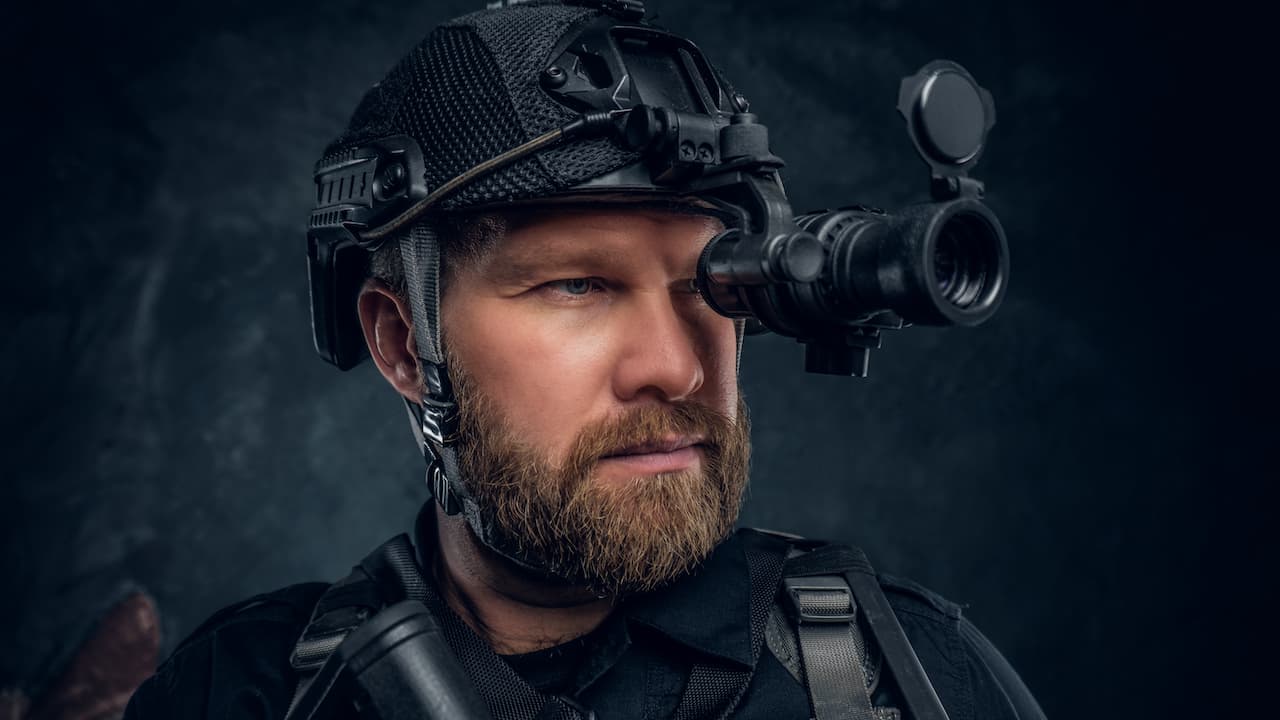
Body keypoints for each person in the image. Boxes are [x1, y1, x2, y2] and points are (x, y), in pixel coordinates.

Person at [125, 1, 1043, 718]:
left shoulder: (913, 677)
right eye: (579, 287)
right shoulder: (241, 694)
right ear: (405, 345)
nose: (674, 369)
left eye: (708, 285)